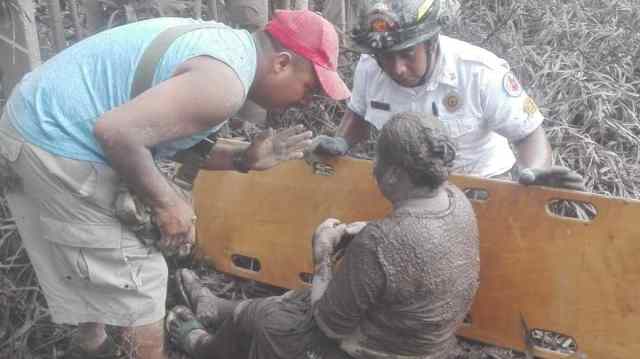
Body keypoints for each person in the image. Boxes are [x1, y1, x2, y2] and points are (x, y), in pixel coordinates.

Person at [0, 10, 349, 359]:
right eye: (310, 87)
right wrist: (169, 203)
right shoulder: (224, 85)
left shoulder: (227, 47)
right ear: (282, 64)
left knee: (103, 259)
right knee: (141, 280)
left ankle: (91, 345)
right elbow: (118, 133)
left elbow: (160, 132)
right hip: (55, 139)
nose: (307, 101)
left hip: (35, 119)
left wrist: (243, 158)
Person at [167, 111, 480, 359]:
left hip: (377, 350)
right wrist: (366, 233)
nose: (374, 169)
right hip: (427, 345)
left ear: (396, 174)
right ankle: (217, 309)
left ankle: (202, 346)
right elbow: (416, 248)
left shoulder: (380, 243)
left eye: (378, 161)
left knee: (270, 321)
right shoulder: (457, 201)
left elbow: (330, 325)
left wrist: (322, 256)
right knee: (289, 303)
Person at [313, 0, 584, 190]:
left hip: (481, 185)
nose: (397, 69)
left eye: (408, 55)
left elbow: (529, 134)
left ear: (431, 43)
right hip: (409, 189)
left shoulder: (480, 72)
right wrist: (341, 141)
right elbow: (358, 113)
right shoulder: (369, 68)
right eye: (385, 57)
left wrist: (533, 171)